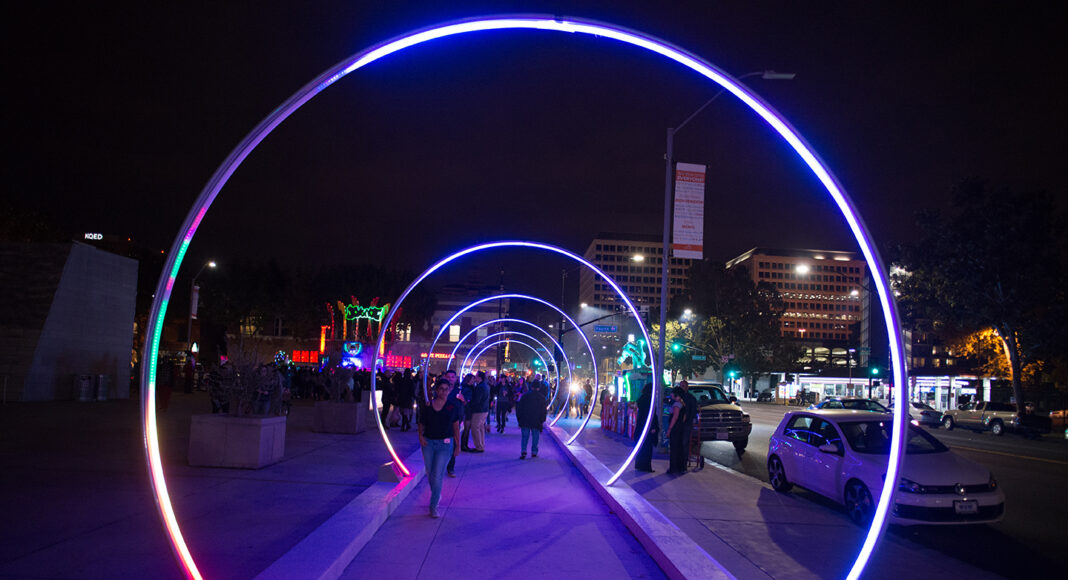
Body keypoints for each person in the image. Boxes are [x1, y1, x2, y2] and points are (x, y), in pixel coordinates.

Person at [418, 378, 461, 518]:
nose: (444, 392)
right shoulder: (428, 406)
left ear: (450, 390)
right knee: (430, 473)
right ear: (436, 390)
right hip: (428, 443)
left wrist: (458, 445)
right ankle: (437, 494)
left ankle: (433, 505)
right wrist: (420, 436)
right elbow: (421, 422)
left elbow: (456, 427)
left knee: (437, 475)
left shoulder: (452, 407)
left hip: (445, 444)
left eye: (446, 389)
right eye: (441, 389)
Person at [516, 382, 548, 459]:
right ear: (539, 388)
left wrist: (519, 420)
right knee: (535, 437)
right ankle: (534, 452)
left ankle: (524, 451)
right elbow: (544, 411)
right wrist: (542, 420)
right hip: (536, 421)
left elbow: (519, 409)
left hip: (525, 420)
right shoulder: (542, 398)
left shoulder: (525, 396)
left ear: (531, 387)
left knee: (525, 437)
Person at [634, 382, 659, 472]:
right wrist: (653, 427)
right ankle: (646, 466)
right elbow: (651, 415)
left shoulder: (642, 398)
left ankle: (639, 464)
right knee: (647, 447)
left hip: (641, 425)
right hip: (648, 425)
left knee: (641, 446)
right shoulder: (649, 400)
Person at [679, 380, 703, 470]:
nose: (682, 387)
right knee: (679, 442)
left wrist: (690, 420)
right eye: (681, 386)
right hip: (679, 423)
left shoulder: (690, 398)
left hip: (686, 423)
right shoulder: (678, 397)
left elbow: (693, 411)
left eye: (683, 386)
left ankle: (683, 463)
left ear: (687, 387)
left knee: (685, 442)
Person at [666, 387, 689, 474]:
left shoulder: (676, 404)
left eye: (672, 393)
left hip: (675, 428)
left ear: (676, 394)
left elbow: (675, 417)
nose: (671, 394)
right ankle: (681, 467)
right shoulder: (682, 403)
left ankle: (673, 468)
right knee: (679, 447)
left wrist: (669, 429)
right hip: (681, 427)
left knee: (674, 448)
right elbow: (684, 417)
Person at [469, 371, 490, 451]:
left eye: (476, 376)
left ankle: (479, 447)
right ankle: (481, 445)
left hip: (479, 410)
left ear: (479, 377)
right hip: (485, 409)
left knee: (475, 427)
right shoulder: (486, 386)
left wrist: (470, 404)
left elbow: (477, 400)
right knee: (480, 428)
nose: (475, 378)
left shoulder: (479, 387)